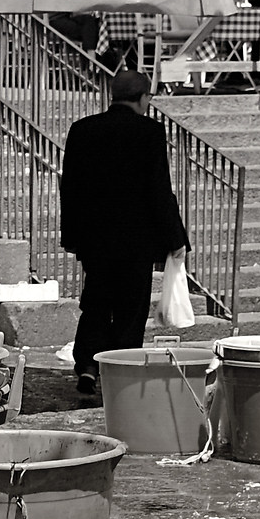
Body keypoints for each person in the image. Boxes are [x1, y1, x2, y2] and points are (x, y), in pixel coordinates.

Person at [60, 69, 188, 393]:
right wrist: (175, 238)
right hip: (136, 240)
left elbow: (70, 187)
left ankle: (88, 365)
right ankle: (119, 370)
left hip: (95, 238)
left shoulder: (82, 130)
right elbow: (159, 189)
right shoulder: (149, 132)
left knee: (97, 301)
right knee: (131, 308)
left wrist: (72, 235)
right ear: (144, 98)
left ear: (113, 94)